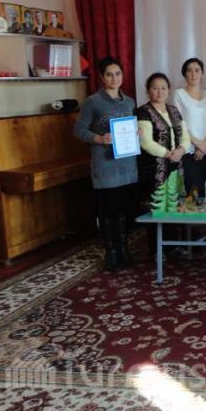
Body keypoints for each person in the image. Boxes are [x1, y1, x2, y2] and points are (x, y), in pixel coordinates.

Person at [73, 57, 137, 271]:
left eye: (118, 73)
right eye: (109, 74)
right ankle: (112, 254)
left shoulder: (129, 102)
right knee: (109, 212)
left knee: (125, 211)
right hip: (106, 166)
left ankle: (124, 251)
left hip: (127, 165)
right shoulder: (92, 102)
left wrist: (136, 133)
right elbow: (79, 130)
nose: (114, 78)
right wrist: (99, 138)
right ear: (102, 77)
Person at [137, 73, 191, 209]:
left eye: (163, 88)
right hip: (153, 167)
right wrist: (169, 154)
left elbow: (185, 137)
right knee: (157, 206)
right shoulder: (143, 112)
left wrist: (180, 150)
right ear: (148, 90)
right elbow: (146, 142)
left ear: (168, 90)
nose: (159, 92)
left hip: (176, 164)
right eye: (155, 88)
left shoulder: (174, 110)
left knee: (176, 204)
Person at [172, 58, 206, 198]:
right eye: (189, 71)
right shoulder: (179, 94)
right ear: (184, 74)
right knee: (191, 193)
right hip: (188, 149)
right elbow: (178, 123)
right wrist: (197, 143)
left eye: (197, 70)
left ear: (202, 73)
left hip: (205, 150)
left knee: (205, 193)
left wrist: (205, 144)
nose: (193, 74)